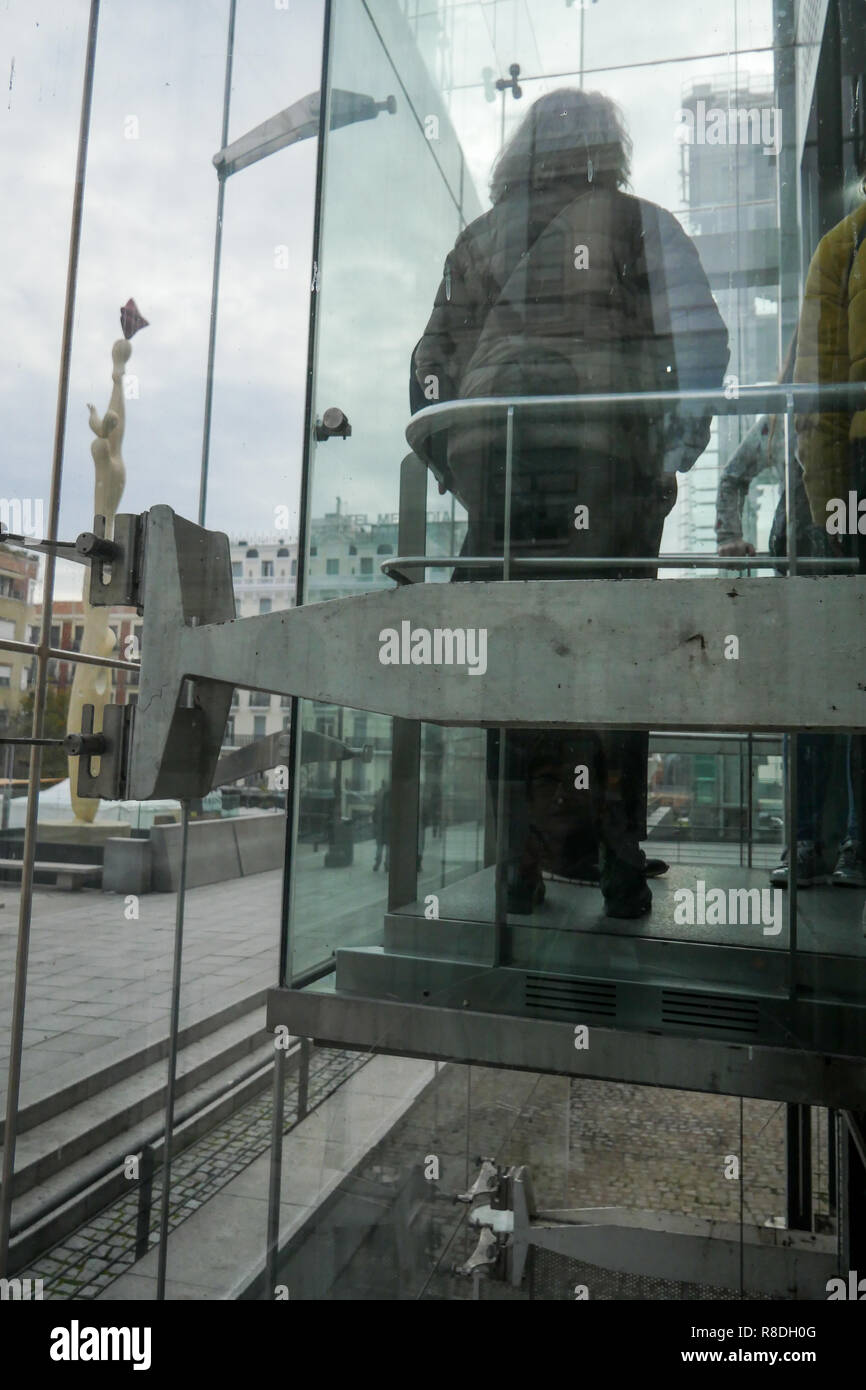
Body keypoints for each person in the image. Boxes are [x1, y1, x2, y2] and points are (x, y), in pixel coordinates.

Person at [413, 88, 729, 917]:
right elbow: (702, 342)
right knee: (612, 650)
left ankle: (518, 856)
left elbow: (429, 373)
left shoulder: (480, 239)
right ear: (607, 146)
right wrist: (670, 455)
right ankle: (618, 856)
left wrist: (461, 471)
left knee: (510, 653)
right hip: (605, 458)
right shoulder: (640, 224)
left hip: (498, 461)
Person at [715, 334, 862, 886]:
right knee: (806, 719)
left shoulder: (852, 409)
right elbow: (732, 477)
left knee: (852, 719)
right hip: (799, 580)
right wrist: (730, 536)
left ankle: (852, 846)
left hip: (846, 575)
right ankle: (808, 844)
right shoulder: (782, 417)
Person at [793, 181, 866, 888]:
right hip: (850, 488)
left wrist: (828, 508)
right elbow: (814, 401)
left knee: (834, 672)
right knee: (834, 672)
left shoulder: (841, 248)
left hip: (847, 491)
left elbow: (813, 401)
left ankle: (829, 843)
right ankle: (834, 842)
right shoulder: (844, 247)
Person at [372, 779, 390, 872]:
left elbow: (375, 810)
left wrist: (375, 821)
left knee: (380, 846)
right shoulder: (391, 794)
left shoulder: (379, 794)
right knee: (388, 846)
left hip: (380, 824)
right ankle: (386, 865)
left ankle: (377, 863)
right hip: (388, 825)